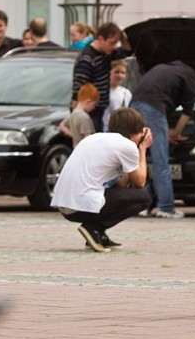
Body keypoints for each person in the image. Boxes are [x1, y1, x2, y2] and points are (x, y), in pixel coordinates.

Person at [51, 108, 153, 253]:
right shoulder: (127, 145)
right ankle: (93, 228)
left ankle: (98, 234)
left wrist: (127, 164)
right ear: (135, 132)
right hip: (81, 206)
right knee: (143, 197)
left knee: (126, 194)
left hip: (65, 205)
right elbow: (140, 183)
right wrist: (142, 148)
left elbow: (121, 185)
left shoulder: (95, 138)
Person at [130, 60, 195, 219]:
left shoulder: (160, 68)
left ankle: (141, 206)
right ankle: (166, 207)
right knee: (160, 161)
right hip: (153, 108)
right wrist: (176, 133)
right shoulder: (189, 73)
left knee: (139, 158)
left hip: (133, 106)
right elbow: (188, 109)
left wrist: (165, 132)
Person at [72, 22, 132, 133]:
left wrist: (122, 35)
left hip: (100, 110)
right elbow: (78, 89)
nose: (114, 47)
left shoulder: (105, 54)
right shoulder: (87, 58)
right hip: (89, 112)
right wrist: (77, 114)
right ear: (100, 39)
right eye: (112, 43)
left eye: (116, 43)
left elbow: (128, 50)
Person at [102, 59, 133, 132]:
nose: (120, 75)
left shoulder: (127, 93)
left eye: (123, 73)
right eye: (117, 72)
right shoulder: (103, 91)